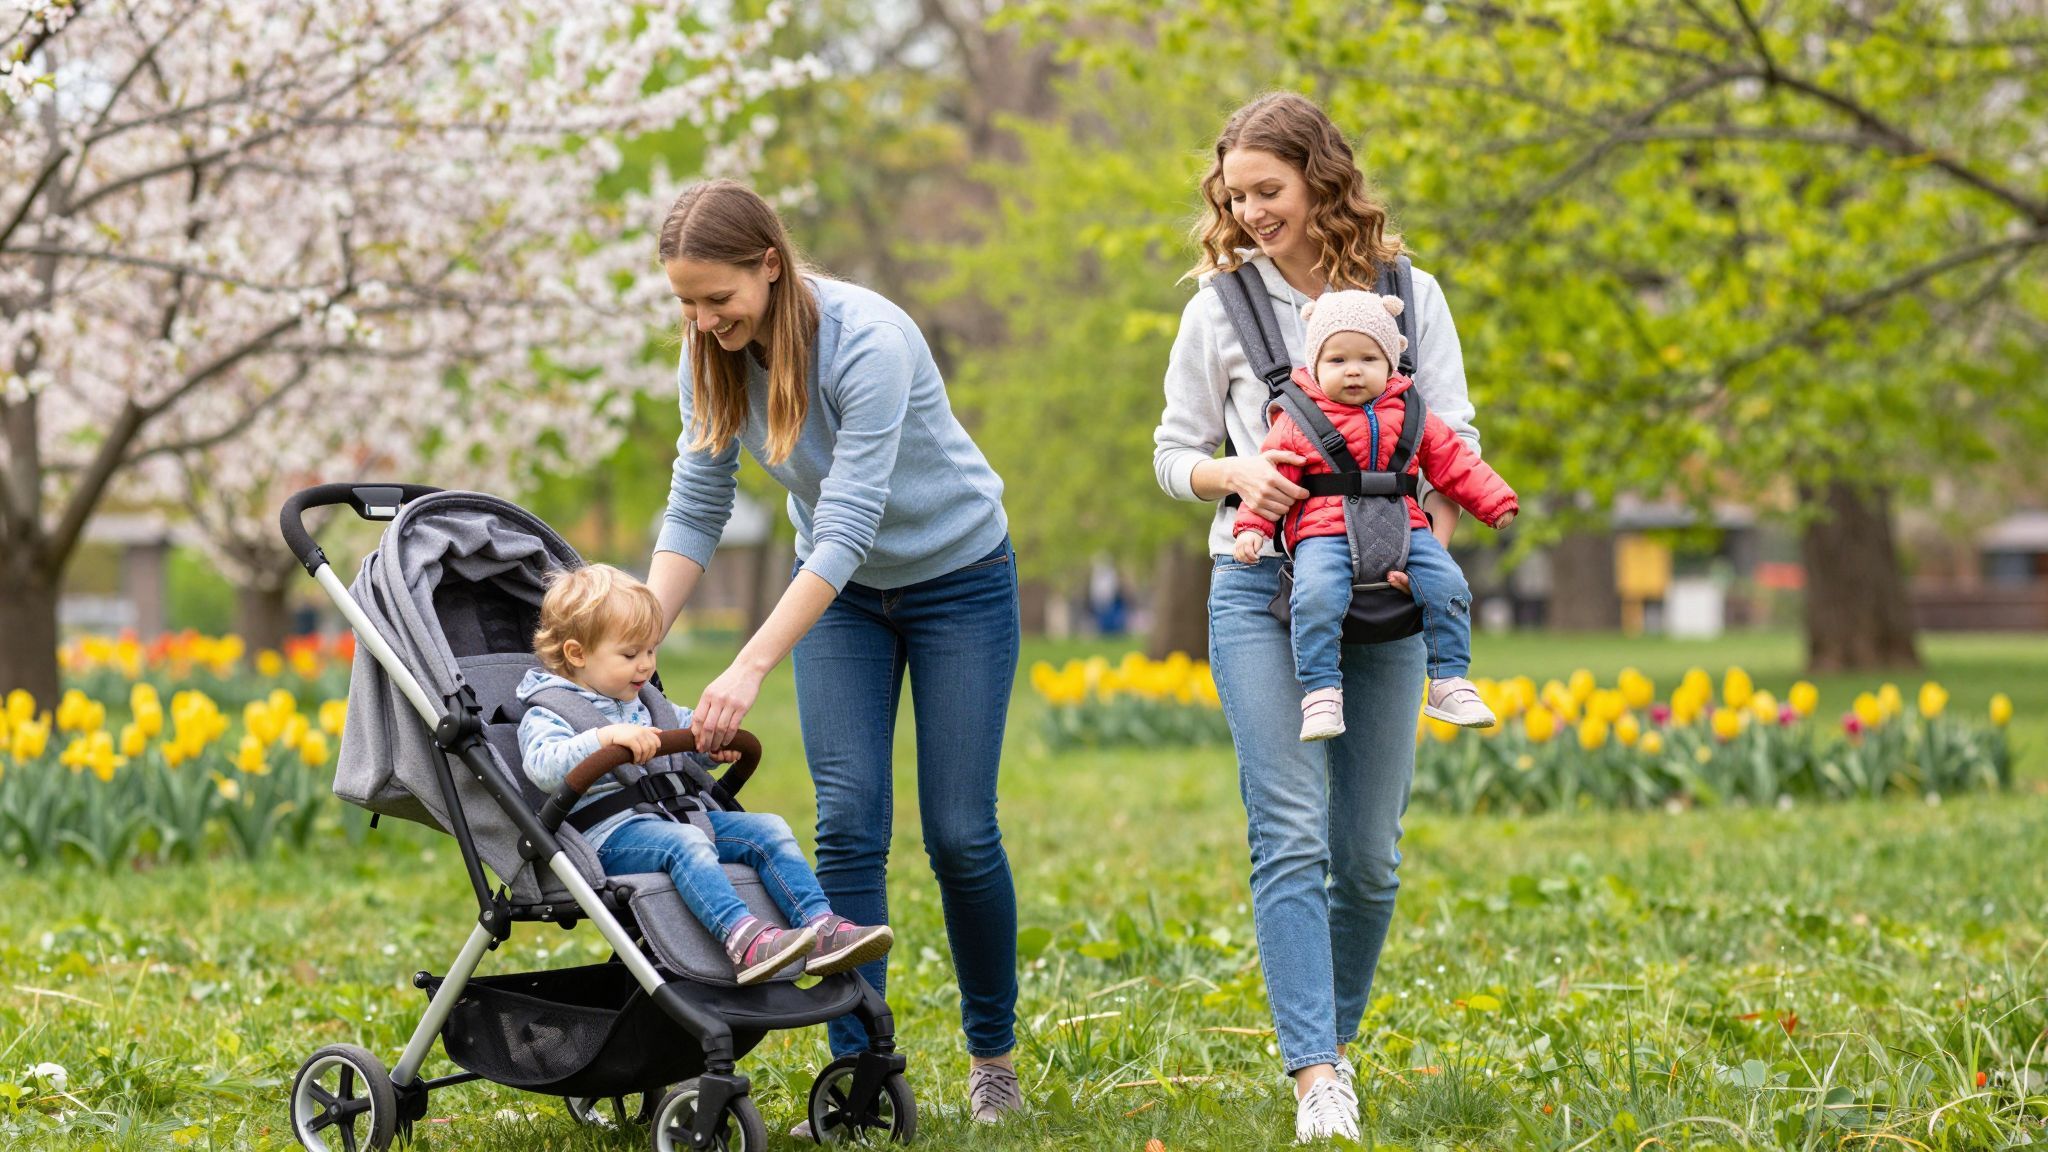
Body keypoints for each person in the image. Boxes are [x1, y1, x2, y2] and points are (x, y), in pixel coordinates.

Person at [1151, 91, 1495, 1143]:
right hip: (1260, 589)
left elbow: (1454, 434)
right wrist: (1232, 473)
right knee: (1290, 834)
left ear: (1321, 179)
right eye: (1235, 196)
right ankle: (1315, 1078)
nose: (1251, 212)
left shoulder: (1410, 293)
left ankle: (1330, 1043)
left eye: (1269, 190)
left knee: (1369, 857)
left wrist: (1430, 545)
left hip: (1386, 590)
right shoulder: (1218, 309)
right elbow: (1172, 454)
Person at [644, 180, 1025, 1125]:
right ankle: (861, 1071)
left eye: (718, 298)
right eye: (686, 303)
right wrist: (637, 634)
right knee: (848, 823)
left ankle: (993, 1059)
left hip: (959, 578)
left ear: (770, 266)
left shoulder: (869, 341)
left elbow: (850, 521)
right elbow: (698, 502)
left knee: (959, 833)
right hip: (845, 600)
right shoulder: (709, 352)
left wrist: (749, 664)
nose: (703, 321)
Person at [516, 564, 893, 985]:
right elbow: (544, 767)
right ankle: (744, 942)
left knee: (768, 829)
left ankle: (819, 927)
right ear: (577, 654)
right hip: (610, 837)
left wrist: (711, 746)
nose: (645, 666)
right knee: (685, 843)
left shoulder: (644, 701)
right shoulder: (548, 712)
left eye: (651, 651)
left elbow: (686, 733)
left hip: (676, 816)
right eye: (630, 655)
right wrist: (604, 738)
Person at [1230, 289, 1518, 740]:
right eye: (1337, 360)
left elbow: (1454, 461)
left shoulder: (1411, 412)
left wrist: (1494, 501)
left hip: (1405, 527)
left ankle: (1448, 679)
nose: (1353, 370)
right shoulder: (1297, 418)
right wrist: (1251, 528)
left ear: (1390, 363)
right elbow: (1271, 478)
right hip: (1324, 531)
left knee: (1448, 584)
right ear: (1315, 364)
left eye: (1368, 358)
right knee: (1317, 594)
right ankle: (1321, 690)